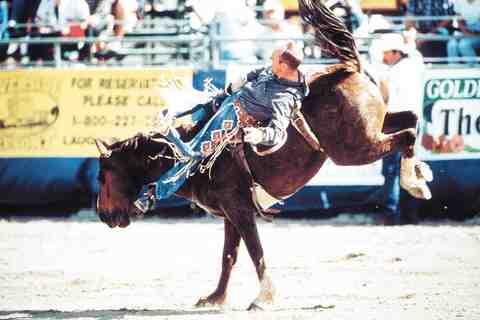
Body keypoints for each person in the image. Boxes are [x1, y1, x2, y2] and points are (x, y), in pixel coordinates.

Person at [156, 41, 308, 161]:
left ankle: (169, 133)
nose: (270, 61)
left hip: (235, 118)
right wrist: (235, 85)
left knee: (194, 152)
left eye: (273, 59)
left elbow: (278, 132)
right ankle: (172, 115)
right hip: (231, 98)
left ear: (283, 65)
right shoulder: (276, 69)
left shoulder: (285, 98)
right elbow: (255, 72)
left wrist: (260, 135)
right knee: (205, 101)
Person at [369, 33, 426, 224]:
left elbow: (388, 99)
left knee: (392, 170)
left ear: (395, 53)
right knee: (410, 168)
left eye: (386, 53)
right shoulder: (416, 64)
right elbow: (415, 54)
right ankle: (411, 215)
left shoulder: (393, 73)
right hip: (414, 122)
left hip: (397, 122)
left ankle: (391, 214)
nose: (384, 57)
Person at [447, 0, 480, 65]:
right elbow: (459, 20)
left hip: (478, 33)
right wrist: (465, 32)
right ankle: (453, 71)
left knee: (464, 45)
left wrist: (472, 33)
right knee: (451, 45)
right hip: (464, 32)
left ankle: (474, 71)